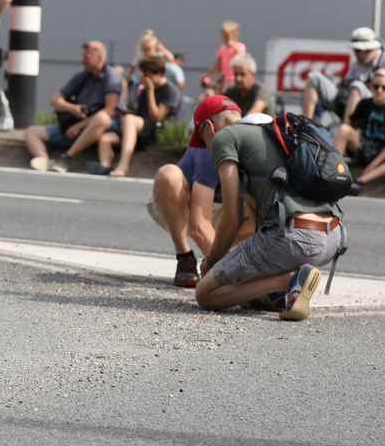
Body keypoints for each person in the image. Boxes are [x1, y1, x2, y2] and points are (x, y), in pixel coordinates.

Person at [195, 107, 346, 322]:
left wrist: (213, 263)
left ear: (208, 128)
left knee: (205, 294)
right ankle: (287, 292)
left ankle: (288, 281)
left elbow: (232, 218)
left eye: (203, 143)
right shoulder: (286, 147)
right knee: (251, 276)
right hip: (333, 238)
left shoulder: (225, 137)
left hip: (296, 239)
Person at [149, 96, 248, 287]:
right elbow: (199, 226)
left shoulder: (217, 139)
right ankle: (185, 257)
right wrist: (229, 274)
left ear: (207, 128)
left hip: (229, 212)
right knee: (168, 175)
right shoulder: (206, 151)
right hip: (182, 208)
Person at [24, 41, 120, 174]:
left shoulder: (111, 78)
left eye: (91, 52)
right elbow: (55, 100)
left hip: (101, 127)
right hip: (73, 125)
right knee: (31, 132)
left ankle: (67, 157)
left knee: (102, 119)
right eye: (85, 51)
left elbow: (110, 110)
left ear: (101, 57)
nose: (85, 55)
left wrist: (80, 126)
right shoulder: (82, 76)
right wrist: (72, 108)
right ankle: (43, 160)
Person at [302, 27, 385, 126]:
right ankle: (307, 126)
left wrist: (382, 81)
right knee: (314, 77)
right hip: (344, 102)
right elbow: (343, 87)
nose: (355, 53)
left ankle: (345, 131)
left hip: (372, 108)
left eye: (358, 50)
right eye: (355, 49)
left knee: (357, 87)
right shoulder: (357, 64)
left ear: (369, 49)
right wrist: (343, 83)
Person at [334, 69, 385, 194]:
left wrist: (373, 165)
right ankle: (336, 175)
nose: (379, 90)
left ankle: (360, 181)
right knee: (343, 129)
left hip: (383, 152)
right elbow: (351, 125)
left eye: (384, 87)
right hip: (364, 148)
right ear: (370, 88)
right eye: (376, 86)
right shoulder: (365, 104)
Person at [102, 57, 180, 177]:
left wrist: (150, 91)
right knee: (106, 138)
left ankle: (123, 165)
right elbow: (139, 113)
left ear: (159, 74)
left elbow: (157, 117)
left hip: (157, 130)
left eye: (146, 75)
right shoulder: (143, 89)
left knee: (129, 119)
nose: (143, 78)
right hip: (140, 128)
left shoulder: (170, 91)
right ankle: (105, 167)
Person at [201, 20, 245, 97]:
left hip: (236, 82)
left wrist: (233, 45)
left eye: (228, 35)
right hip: (225, 82)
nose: (226, 37)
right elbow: (218, 67)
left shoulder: (240, 47)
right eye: (224, 35)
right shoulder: (222, 48)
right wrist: (206, 74)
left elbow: (240, 62)